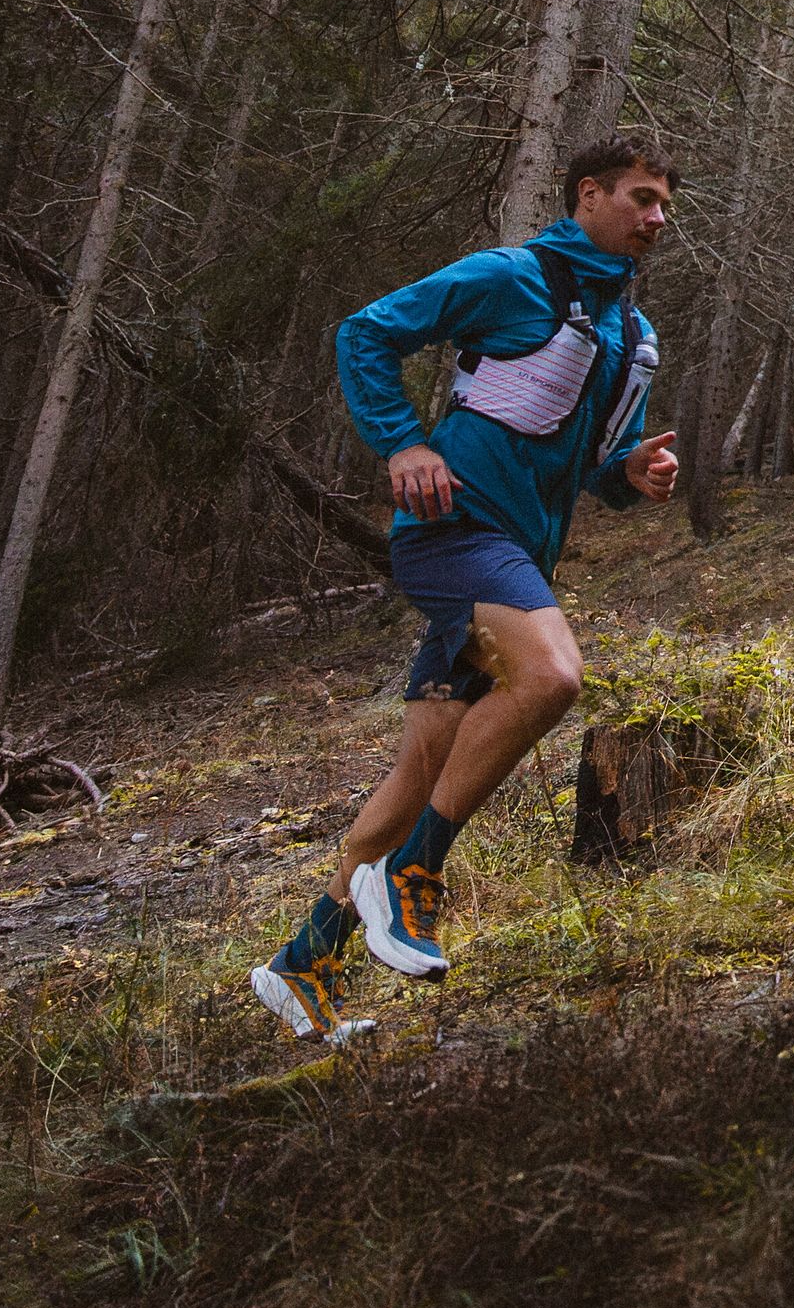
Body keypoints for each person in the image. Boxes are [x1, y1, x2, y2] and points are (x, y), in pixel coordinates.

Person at [249, 139, 681, 1038]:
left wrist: (629, 471)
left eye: (664, 205)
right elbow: (365, 332)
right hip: (453, 537)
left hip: (514, 558)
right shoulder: (511, 277)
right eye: (641, 197)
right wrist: (402, 443)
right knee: (552, 675)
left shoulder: (628, 335)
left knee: (423, 770)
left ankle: (305, 963)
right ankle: (413, 876)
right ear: (588, 194)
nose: (656, 217)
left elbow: (589, 463)